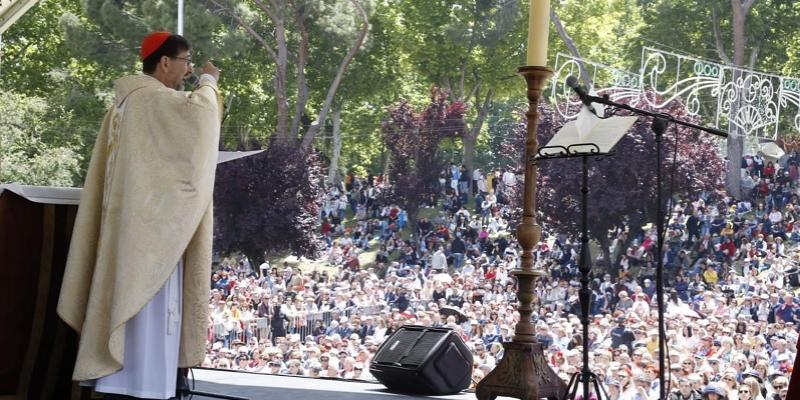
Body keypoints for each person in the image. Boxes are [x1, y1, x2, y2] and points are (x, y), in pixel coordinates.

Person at [57, 31, 221, 399]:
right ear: (165, 62)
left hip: (129, 231)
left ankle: (120, 377)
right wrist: (209, 81)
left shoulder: (124, 103)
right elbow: (201, 119)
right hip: (153, 239)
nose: (189, 70)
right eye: (186, 62)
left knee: (126, 305)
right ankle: (144, 385)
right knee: (149, 310)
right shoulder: (152, 99)